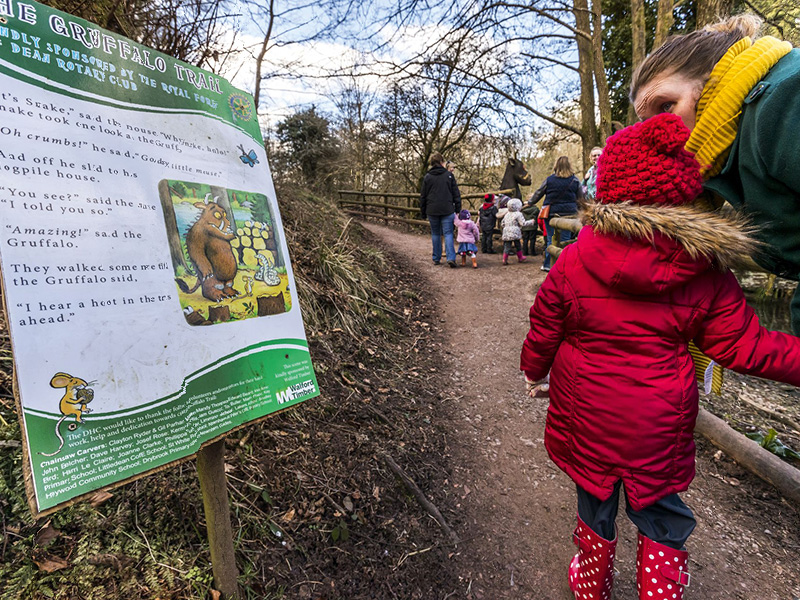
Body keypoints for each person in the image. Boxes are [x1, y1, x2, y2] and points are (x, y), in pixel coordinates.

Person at [519, 113, 800, 600]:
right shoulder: (706, 270)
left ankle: (591, 582)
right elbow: (745, 346)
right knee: (659, 505)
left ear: (608, 190)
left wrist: (533, 369)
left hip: (586, 409)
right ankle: (660, 589)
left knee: (595, 493)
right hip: (659, 418)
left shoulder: (574, 258)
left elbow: (546, 325)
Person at [630, 14, 800, 334]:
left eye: (666, 106)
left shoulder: (783, 98)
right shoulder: (734, 140)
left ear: (714, 77)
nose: (657, 133)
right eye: (645, 124)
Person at [530, 156, 583, 271]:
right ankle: (564, 265)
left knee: (551, 238)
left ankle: (548, 265)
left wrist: (529, 203)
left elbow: (538, 193)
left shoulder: (549, 180)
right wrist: (580, 211)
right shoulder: (575, 180)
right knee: (565, 240)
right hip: (569, 214)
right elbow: (581, 198)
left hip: (551, 213)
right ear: (569, 166)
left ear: (556, 166)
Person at [420, 151, 461, 267]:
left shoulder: (427, 177)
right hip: (447, 209)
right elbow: (455, 193)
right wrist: (458, 208)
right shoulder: (448, 176)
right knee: (448, 233)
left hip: (432, 209)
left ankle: (436, 258)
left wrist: (423, 212)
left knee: (436, 234)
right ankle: (451, 258)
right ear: (442, 162)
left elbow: (423, 196)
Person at [500, 198, 535, 265]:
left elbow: (502, 223)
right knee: (518, 245)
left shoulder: (507, 214)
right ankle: (520, 257)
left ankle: (505, 259)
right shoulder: (518, 214)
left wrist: (507, 226)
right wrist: (531, 222)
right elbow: (523, 223)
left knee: (507, 246)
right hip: (515, 231)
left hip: (506, 231)